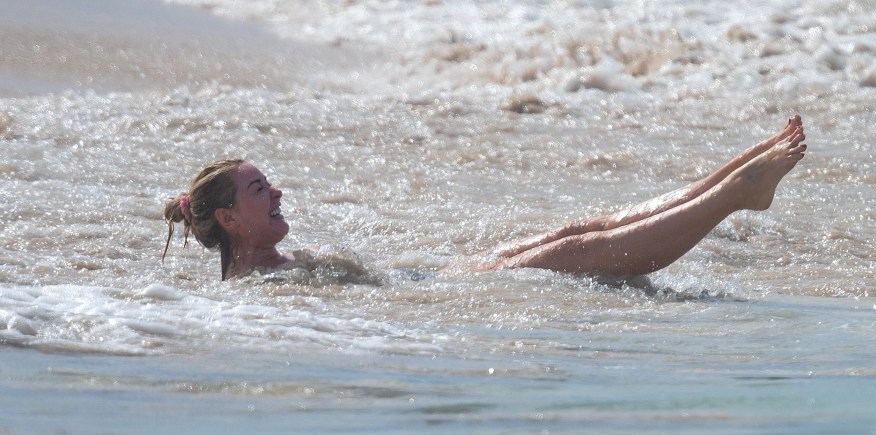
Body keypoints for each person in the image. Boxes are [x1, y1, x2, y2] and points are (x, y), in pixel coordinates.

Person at [163, 116, 806, 280]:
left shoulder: (265, 270)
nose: (275, 191)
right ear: (227, 218)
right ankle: (734, 195)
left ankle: (736, 179)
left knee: (578, 228)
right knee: (583, 249)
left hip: (438, 274)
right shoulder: (255, 293)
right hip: (439, 290)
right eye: (258, 189)